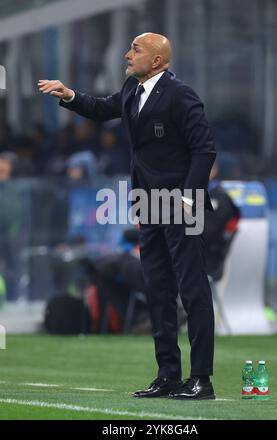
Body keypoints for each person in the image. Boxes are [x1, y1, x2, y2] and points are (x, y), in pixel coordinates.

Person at [38, 32, 216, 400]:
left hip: (181, 206)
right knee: (157, 291)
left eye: (135, 49)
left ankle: (201, 379)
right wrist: (69, 95)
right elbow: (103, 108)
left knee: (192, 290)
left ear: (157, 60)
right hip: (149, 207)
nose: (126, 54)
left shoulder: (180, 95)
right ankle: (168, 375)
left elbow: (204, 150)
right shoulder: (132, 92)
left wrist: (187, 198)